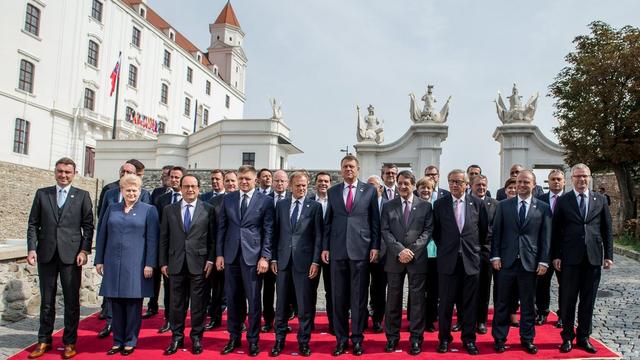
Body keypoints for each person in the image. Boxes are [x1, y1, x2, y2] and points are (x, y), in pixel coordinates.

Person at [27, 157, 94, 360]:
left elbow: (88, 227)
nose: (63, 175)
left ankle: (69, 342)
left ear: (74, 174)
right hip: (46, 254)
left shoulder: (82, 196)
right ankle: (44, 340)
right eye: (60, 171)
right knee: (46, 301)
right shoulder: (42, 194)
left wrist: (84, 251)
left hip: (72, 256)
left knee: (71, 301)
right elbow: (33, 224)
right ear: (55, 172)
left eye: (67, 172)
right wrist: (31, 249)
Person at [322, 155, 380, 356]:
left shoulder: (370, 191)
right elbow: (328, 222)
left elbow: (375, 221)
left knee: (358, 297)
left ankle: (357, 339)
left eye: (352, 166)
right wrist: (325, 247)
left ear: (358, 169)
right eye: (345, 166)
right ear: (341, 169)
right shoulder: (333, 191)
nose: (348, 169)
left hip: (361, 250)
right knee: (338, 297)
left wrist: (375, 246)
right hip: (337, 250)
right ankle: (341, 339)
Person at [94, 174, 159, 356]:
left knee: (132, 304)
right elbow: (102, 234)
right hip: (113, 263)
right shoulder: (112, 209)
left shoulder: (149, 210)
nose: (131, 193)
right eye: (128, 190)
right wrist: (99, 259)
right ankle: (117, 340)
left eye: (135, 190)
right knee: (115, 303)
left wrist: (150, 264)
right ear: (121, 191)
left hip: (137, 265)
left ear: (140, 191)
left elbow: (153, 240)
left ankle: (130, 340)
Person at [552, 163, 613, 354]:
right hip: (570, 258)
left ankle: (584, 337)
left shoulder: (600, 199)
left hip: (593, 258)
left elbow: (607, 229)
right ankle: (567, 337)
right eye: (578, 176)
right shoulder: (564, 200)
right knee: (568, 300)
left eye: (585, 176)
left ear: (590, 177)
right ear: (572, 179)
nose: (582, 180)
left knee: (588, 301)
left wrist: (608, 255)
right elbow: (556, 231)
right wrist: (555, 255)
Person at [490, 170, 551, 354]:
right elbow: (497, 233)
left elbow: (545, 237)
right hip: (506, 262)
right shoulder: (504, 206)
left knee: (528, 304)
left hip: (530, 263)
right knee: (502, 303)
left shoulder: (543, 207)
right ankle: (500, 338)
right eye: (520, 182)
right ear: (515, 184)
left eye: (526, 182)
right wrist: (495, 256)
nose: (522, 185)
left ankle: (527, 339)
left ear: (533, 185)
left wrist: (544, 261)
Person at [217, 165, 274, 357]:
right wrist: (219, 254)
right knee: (233, 300)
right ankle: (233, 337)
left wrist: (265, 256)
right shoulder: (228, 199)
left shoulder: (265, 201)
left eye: (247, 179)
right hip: (231, 256)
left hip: (253, 257)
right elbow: (222, 228)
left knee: (254, 301)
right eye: (241, 178)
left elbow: (268, 231)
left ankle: (253, 340)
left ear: (255, 180)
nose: (243, 182)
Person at [432, 169, 488, 355]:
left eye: (458, 181)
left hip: (470, 261)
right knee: (446, 303)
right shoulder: (440, 204)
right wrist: (448, 249)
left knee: (469, 304)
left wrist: (474, 251)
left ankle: (469, 339)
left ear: (466, 184)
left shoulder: (478, 204)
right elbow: (437, 233)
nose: (454, 185)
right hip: (448, 261)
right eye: (451, 181)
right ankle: (444, 339)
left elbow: (483, 231)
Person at [160, 174, 216, 355]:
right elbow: (164, 238)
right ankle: (176, 337)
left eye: (193, 186)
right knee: (176, 304)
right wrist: (163, 262)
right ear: (181, 188)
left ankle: (197, 338)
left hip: (199, 265)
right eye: (186, 186)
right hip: (175, 263)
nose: (190, 189)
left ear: (199, 188)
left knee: (198, 304)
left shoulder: (208, 209)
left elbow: (213, 239)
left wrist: (210, 259)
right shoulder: (169, 210)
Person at [269, 171, 323, 357]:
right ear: (290, 186)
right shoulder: (281, 205)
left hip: (305, 263)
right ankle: (279, 340)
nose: (301, 188)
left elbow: (318, 236)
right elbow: (275, 233)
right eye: (298, 185)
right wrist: (274, 258)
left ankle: (303, 341)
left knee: (305, 305)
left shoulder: (314, 207)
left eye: (304, 185)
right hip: (283, 262)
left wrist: (316, 261)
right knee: (282, 304)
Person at [382, 170, 433, 355]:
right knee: (393, 300)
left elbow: (428, 232)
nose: (403, 186)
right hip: (394, 259)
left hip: (417, 259)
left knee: (417, 301)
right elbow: (385, 231)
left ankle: (416, 339)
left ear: (413, 185)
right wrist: (400, 250)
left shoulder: (425, 206)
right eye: (400, 183)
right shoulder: (388, 206)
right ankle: (392, 338)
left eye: (406, 183)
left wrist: (411, 251)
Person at [150, 166, 186, 333]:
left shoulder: (190, 199)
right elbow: (158, 229)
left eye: (177, 177)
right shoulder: (162, 200)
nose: (174, 180)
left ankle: (181, 319)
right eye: (172, 177)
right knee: (168, 287)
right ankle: (168, 319)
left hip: (187, 252)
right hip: (169, 252)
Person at [205, 170, 240, 331]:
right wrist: (215, 255)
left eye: (233, 181)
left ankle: (238, 321)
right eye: (227, 181)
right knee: (217, 289)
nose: (230, 184)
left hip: (240, 252)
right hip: (220, 251)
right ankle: (215, 318)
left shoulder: (245, 199)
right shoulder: (214, 201)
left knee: (239, 290)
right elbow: (211, 229)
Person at [535, 169, 565, 327]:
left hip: (563, 251)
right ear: (548, 182)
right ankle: (542, 312)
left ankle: (562, 314)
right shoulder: (539, 199)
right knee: (542, 284)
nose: (556, 181)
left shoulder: (568, 200)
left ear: (564, 181)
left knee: (564, 285)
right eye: (553, 179)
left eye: (559, 179)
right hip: (543, 250)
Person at [262, 169, 291, 332]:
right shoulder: (265, 200)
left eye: (282, 181)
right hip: (268, 253)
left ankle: (283, 321)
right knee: (268, 289)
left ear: (287, 183)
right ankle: (268, 320)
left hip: (287, 254)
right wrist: (268, 256)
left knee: (285, 290)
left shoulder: (293, 199)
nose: (279, 184)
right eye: (277, 181)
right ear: (272, 182)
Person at [470, 175, 499, 335]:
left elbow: (497, 228)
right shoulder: (465, 202)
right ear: (471, 185)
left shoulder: (495, 204)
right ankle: (463, 319)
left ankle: (481, 320)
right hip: (467, 252)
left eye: (484, 185)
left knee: (484, 288)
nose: (481, 187)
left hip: (487, 252)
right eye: (478, 185)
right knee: (466, 289)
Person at [309, 172, 333, 333]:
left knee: (332, 290)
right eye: (320, 181)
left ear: (330, 183)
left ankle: (333, 323)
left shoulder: (336, 201)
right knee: (309, 290)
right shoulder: (309, 201)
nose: (323, 183)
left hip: (332, 252)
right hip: (311, 252)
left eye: (326, 181)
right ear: (315, 183)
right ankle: (308, 323)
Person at [416, 177, 438, 332]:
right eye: (422, 187)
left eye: (428, 188)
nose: (425, 190)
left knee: (432, 289)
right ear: (417, 189)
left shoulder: (437, 206)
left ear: (432, 190)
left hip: (435, 253)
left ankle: (430, 320)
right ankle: (415, 318)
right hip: (418, 252)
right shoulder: (414, 207)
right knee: (416, 289)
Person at [366, 175, 387, 333]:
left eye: (373, 185)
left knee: (379, 288)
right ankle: (361, 316)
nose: (369, 188)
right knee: (361, 287)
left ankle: (378, 318)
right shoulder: (361, 204)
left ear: (381, 188)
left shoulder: (389, 205)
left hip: (384, 254)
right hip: (363, 252)